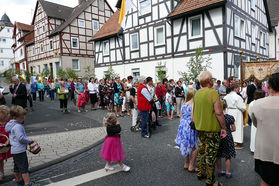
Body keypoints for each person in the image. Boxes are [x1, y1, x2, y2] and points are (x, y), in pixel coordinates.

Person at [192, 71, 227, 186]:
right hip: (212, 129)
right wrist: (224, 128)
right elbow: (219, 113)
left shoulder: (197, 93)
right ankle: (211, 180)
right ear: (208, 81)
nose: (213, 80)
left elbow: (194, 112)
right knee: (210, 154)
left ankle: (201, 173)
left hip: (200, 127)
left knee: (201, 151)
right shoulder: (213, 93)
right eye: (211, 79)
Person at [250, 73, 279, 186]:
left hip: (264, 150)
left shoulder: (257, 104)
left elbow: (256, 123)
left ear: (269, 86)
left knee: (265, 179)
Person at [5, 106, 37, 186]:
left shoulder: (10, 124)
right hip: (20, 150)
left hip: (14, 150)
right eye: (21, 118)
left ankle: (19, 182)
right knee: (24, 168)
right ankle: (27, 183)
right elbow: (21, 138)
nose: (23, 119)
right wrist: (30, 141)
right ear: (15, 117)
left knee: (16, 167)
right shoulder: (18, 126)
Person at [176, 88, 198, 172]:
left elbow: (181, 115)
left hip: (183, 125)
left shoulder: (184, 104)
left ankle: (186, 163)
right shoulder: (193, 104)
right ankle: (191, 166)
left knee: (185, 144)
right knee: (194, 146)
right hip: (190, 126)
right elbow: (193, 117)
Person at [216, 100, 236, 179]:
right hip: (228, 136)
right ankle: (228, 172)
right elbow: (234, 129)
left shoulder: (216, 118)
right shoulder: (230, 117)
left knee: (218, 155)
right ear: (226, 106)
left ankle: (220, 171)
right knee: (228, 155)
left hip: (219, 136)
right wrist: (229, 131)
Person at [224, 83, 246, 149]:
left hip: (228, 111)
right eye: (238, 88)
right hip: (236, 112)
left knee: (229, 126)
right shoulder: (237, 97)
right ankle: (236, 142)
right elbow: (242, 107)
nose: (239, 89)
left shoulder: (226, 96)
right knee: (237, 127)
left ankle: (229, 141)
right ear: (235, 88)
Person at [0, 105, 12, 181]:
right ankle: (1, 172)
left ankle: (19, 169)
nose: (4, 117)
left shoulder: (9, 122)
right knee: (0, 159)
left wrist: (9, 140)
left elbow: (12, 132)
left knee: (16, 154)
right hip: (0, 144)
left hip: (8, 143)